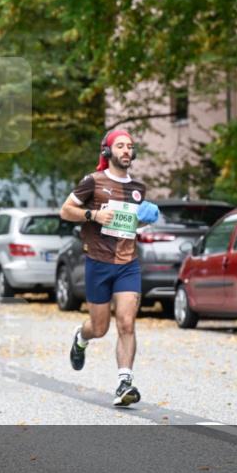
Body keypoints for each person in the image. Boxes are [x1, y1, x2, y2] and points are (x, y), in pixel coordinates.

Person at [59, 129, 160, 406]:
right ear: (107, 151)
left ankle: (124, 383)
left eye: (130, 146)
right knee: (100, 327)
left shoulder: (138, 188)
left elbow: (132, 224)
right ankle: (81, 337)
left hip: (128, 263)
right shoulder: (93, 182)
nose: (126, 150)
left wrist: (146, 219)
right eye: (120, 146)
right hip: (98, 262)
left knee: (126, 322)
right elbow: (65, 210)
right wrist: (94, 214)